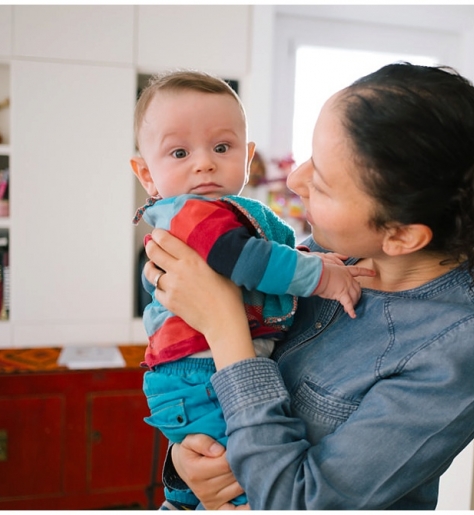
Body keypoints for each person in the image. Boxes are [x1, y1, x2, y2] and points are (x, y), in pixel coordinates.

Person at [143, 63, 474, 509]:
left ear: (401, 235)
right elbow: (211, 390)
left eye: (321, 184)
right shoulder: (327, 255)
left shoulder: (457, 342)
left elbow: (302, 501)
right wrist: (187, 464)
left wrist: (224, 325)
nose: (293, 179)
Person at [130, 70, 372, 509]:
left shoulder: (227, 211)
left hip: (203, 373)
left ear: (248, 155)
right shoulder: (191, 213)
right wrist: (320, 275)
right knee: (238, 481)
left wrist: (307, 260)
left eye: (222, 147)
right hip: (199, 375)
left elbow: (266, 255)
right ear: (146, 174)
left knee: (219, 472)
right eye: (179, 152)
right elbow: (245, 260)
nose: (203, 163)